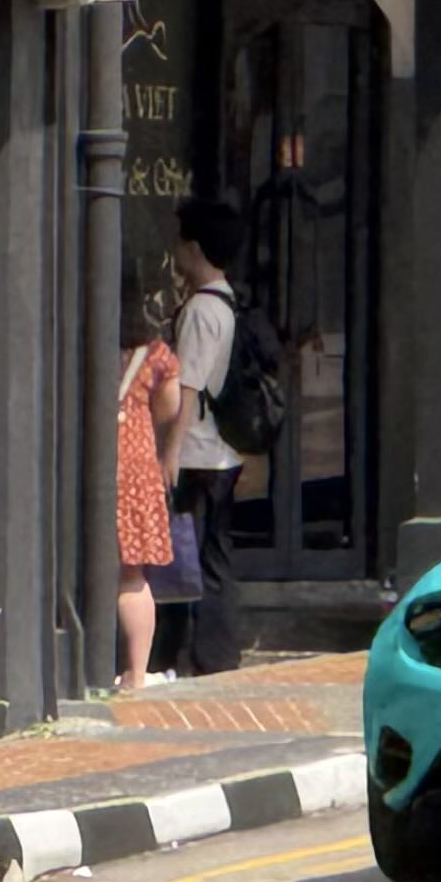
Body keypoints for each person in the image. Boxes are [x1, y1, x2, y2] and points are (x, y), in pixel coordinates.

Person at [160, 198, 247, 678]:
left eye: (179, 242)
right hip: (224, 452)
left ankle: (189, 653)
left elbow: (187, 387)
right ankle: (219, 654)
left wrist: (168, 454)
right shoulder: (230, 301)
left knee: (184, 563)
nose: (175, 251)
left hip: (195, 453)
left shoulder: (199, 311)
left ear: (193, 247)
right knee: (215, 559)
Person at [115, 271, 181, 691]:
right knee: (131, 573)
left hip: (92, 462)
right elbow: (169, 407)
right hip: (135, 464)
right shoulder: (156, 355)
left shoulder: (87, 341)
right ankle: (136, 674)